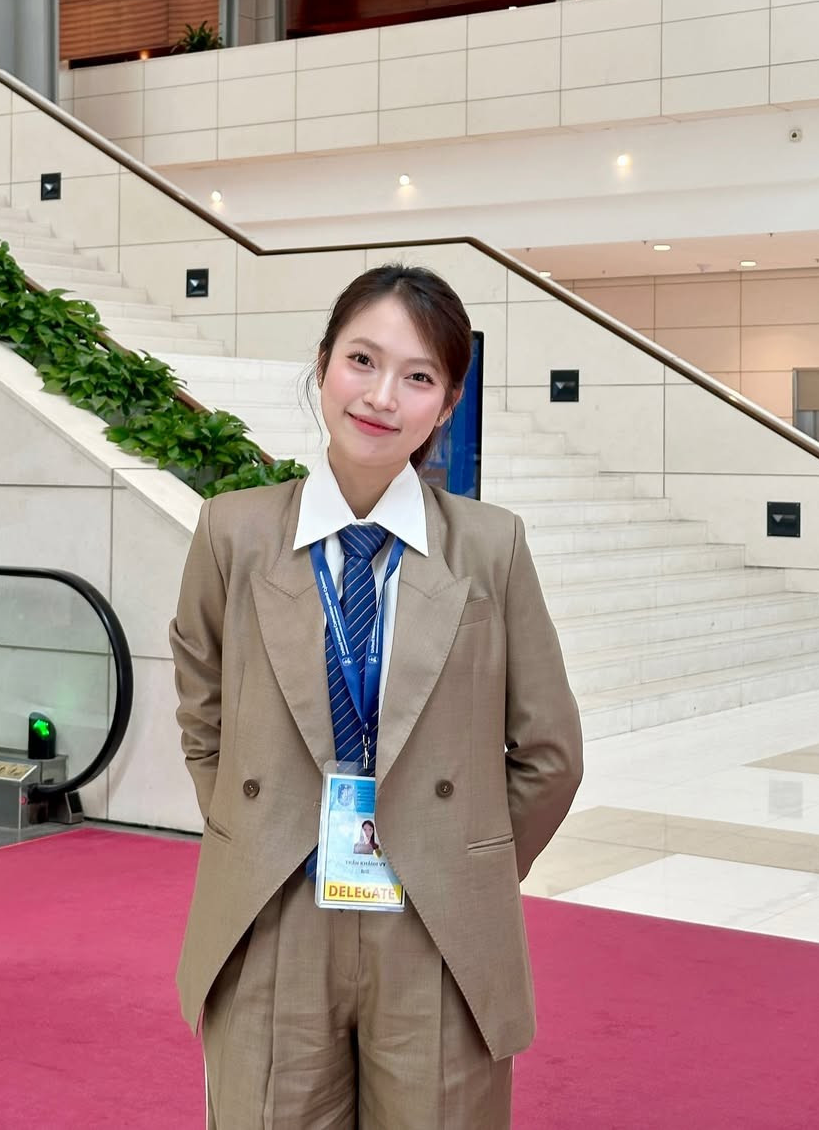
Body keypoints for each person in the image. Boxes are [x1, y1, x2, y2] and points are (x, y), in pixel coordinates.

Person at [171, 263, 582, 1129]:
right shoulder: (233, 532)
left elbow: (550, 752)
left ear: (448, 400)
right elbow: (202, 708)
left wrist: (459, 861)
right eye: (362, 359)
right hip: (274, 905)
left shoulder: (491, 548)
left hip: (432, 918)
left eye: (418, 375)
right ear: (323, 362)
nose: (382, 396)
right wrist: (253, 829)